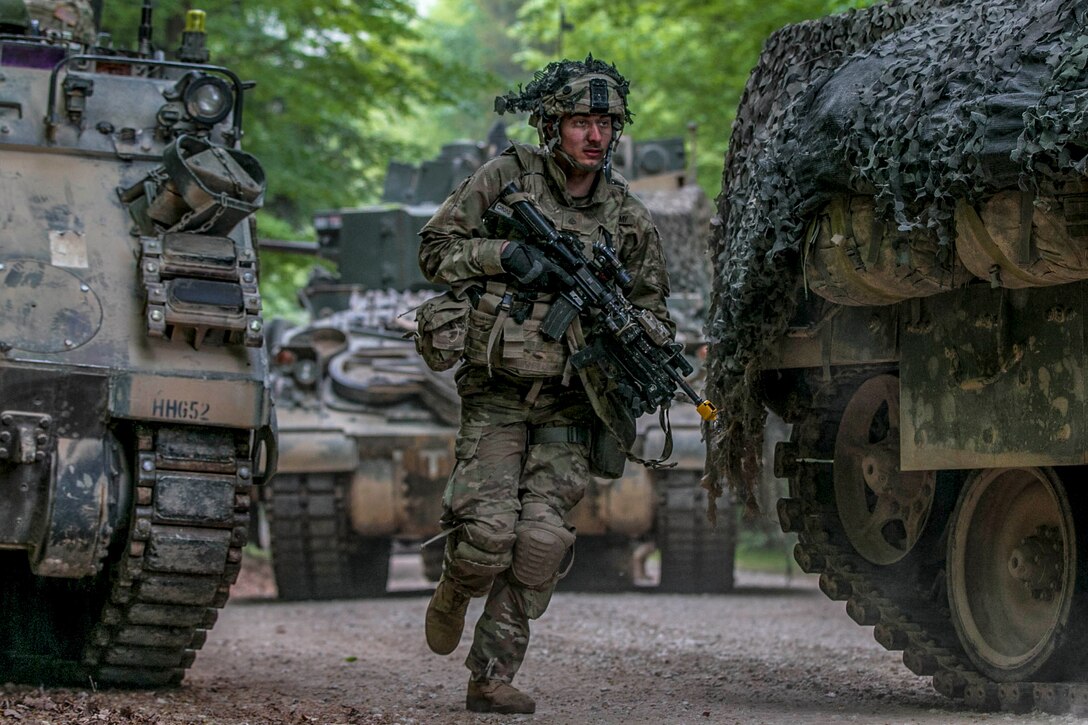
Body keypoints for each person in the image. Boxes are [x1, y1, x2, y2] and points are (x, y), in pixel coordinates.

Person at [417, 55, 674, 715]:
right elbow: (434, 248)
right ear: (552, 124)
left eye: (605, 123)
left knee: (539, 543)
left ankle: (491, 675)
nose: (594, 135)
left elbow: (656, 311)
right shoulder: (506, 178)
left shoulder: (628, 219)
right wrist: (503, 255)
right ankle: (453, 587)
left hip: (572, 401)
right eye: (580, 122)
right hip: (500, 393)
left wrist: (630, 329)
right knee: (487, 536)